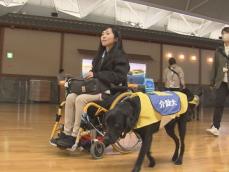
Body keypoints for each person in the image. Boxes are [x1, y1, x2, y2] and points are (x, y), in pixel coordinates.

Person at [55, 26, 130, 148]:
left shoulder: (121, 56)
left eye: (107, 34)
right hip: (96, 89)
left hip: (111, 93)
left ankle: (74, 136)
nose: (103, 36)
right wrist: (91, 75)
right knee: (71, 96)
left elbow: (120, 77)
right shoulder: (100, 55)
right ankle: (67, 133)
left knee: (80, 99)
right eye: (102, 34)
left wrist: (96, 74)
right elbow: (94, 73)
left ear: (116, 38)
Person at [206, 27, 229, 136]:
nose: (223, 36)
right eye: (222, 34)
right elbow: (214, 66)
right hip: (221, 82)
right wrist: (212, 81)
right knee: (218, 104)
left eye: (225, 33)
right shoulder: (219, 51)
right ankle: (215, 127)